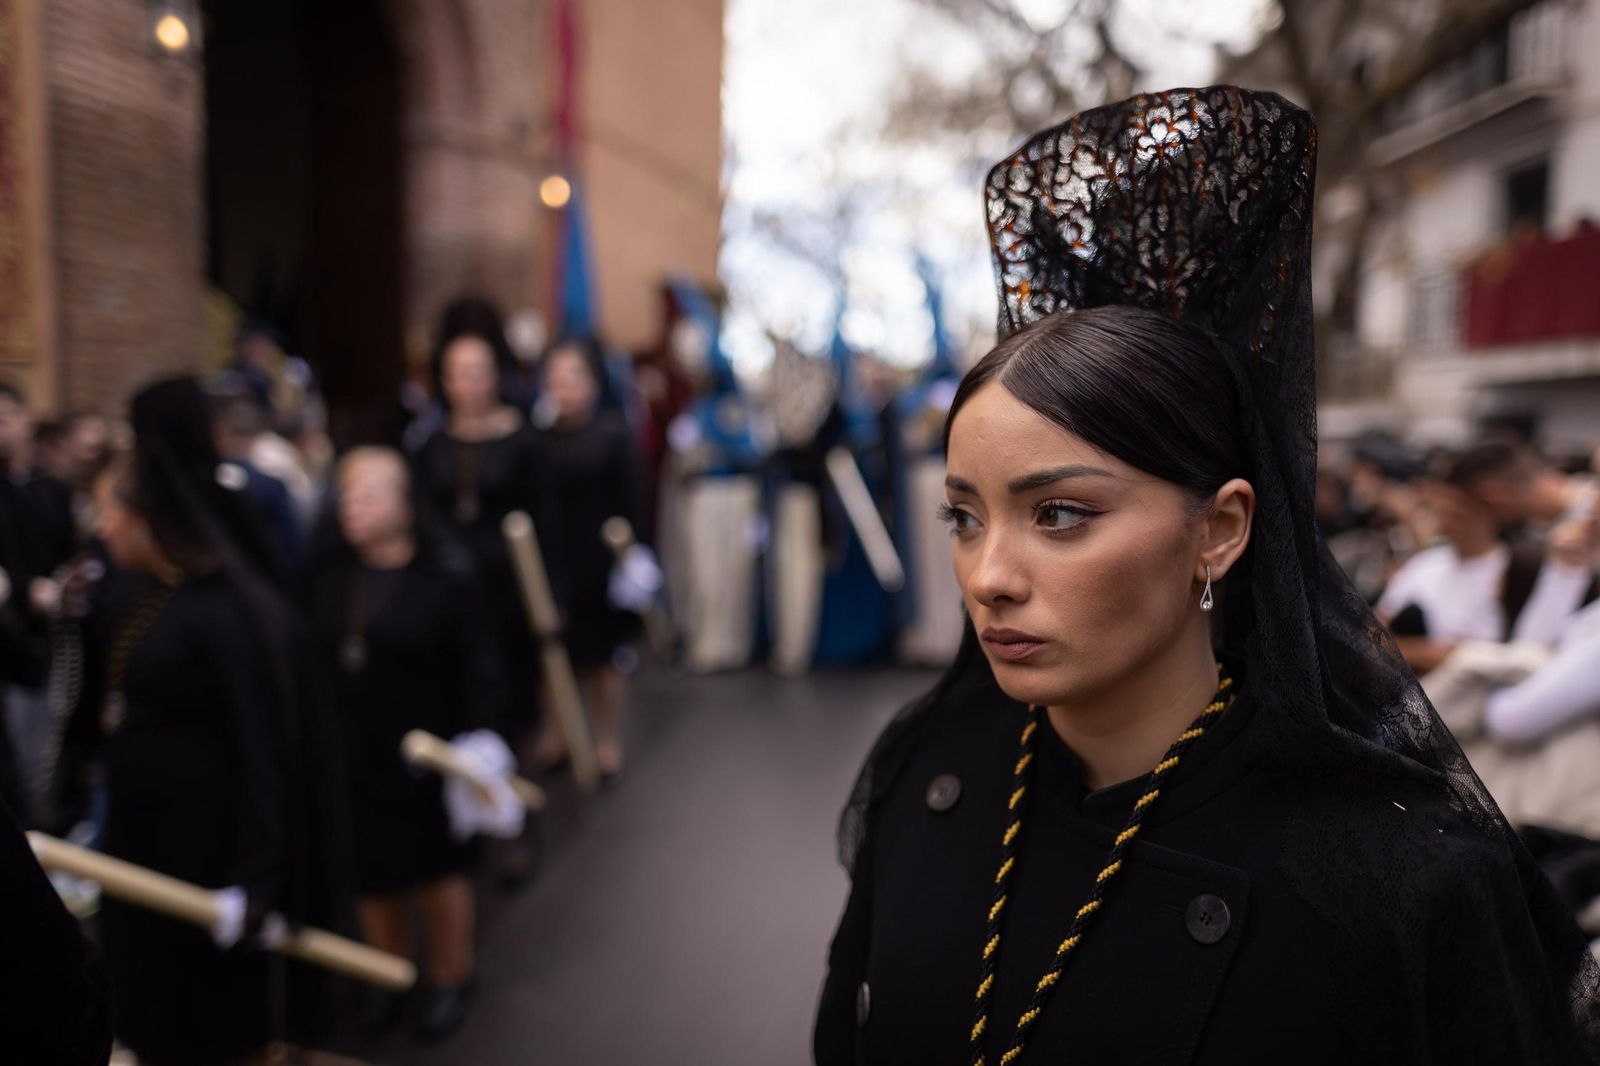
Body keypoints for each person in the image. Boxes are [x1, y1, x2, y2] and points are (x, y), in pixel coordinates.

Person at [815, 87, 1600, 1065]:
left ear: (1220, 530)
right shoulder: (931, 770)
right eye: (962, 515)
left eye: (1059, 513)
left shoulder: (1400, 882)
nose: (989, 574)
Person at [67, 377, 351, 1066]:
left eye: (111, 514)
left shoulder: (223, 611)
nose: (101, 529)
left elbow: (262, 745)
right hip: (141, 851)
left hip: (207, 857)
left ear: (144, 518)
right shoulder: (133, 594)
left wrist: (257, 880)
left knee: (214, 1027)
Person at [310, 447, 501, 1040]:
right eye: (346, 496)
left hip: (427, 756)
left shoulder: (445, 577)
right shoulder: (329, 579)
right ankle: (390, 977)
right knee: (373, 874)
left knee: (437, 870)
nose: (353, 508)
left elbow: (477, 667)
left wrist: (478, 745)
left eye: (368, 494)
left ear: (404, 502)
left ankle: (450, 976)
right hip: (355, 753)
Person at [529, 341, 648, 782]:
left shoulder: (613, 434)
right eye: (555, 378)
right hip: (551, 560)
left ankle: (605, 740)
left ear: (593, 384)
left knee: (603, 659)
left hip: (599, 562)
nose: (563, 387)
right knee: (555, 655)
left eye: (572, 377)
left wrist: (633, 559)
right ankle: (559, 734)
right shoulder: (537, 439)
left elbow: (633, 502)